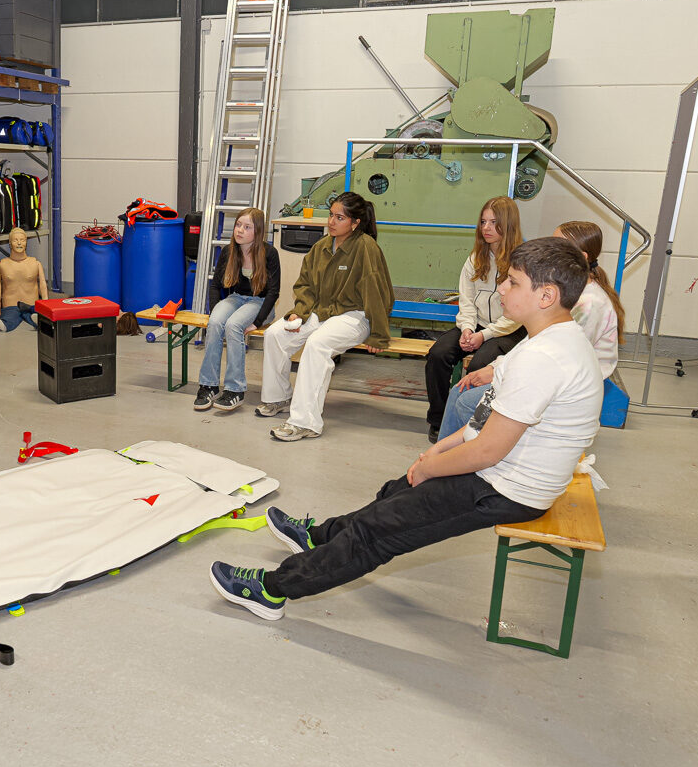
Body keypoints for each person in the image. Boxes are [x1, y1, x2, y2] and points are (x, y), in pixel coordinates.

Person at [208, 236, 602, 621]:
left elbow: (488, 451)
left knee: (376, 532)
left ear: (546, 296)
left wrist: (432, 466)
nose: (501, 288)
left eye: (513, 282)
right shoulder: (546, 338)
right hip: (499, 471)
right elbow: (486, 419)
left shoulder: (544, 357)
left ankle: (272, 590)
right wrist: (439, 451)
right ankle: (319, 537)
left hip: (506, 488)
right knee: (395, 492)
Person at [438, 219, 626, 438]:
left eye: (557, 246)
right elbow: (533, 343)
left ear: (581, 258)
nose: (548, 252)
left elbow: (551, 359)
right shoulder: (565, 292)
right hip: (543, 373)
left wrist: (497, 373)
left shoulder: (588, 304)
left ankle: (460, 454)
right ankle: (442, 454)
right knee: (459, 391)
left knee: (466, 402)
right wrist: (495, 367)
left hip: (558, 386)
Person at [257, 192, 393, 442]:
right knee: (275, 334)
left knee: (317, 344)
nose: (331, 221)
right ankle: (279, 398)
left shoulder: (366, 248)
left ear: (355, 223)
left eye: (339, 218)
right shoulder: (321, 247)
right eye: (331, 215)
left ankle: (305, 422)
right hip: (322, 311)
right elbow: (305, 285)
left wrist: (378, 335)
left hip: (356, 315)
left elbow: (377, 293)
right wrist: (299, 312)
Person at [424, 196, 526, 443]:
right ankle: (439, 420)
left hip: (508, 329)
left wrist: (484, 335)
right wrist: (468, 329)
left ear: (508, 225)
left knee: (480, 365)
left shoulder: (521, 261)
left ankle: (472, 424)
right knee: (438, 355)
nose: (486, 228)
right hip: (476, 324)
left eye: (494, 222)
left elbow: (518, 313)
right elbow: (466, 300)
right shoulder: (475, 258)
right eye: (483, 222)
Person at [193, 207, 281, 412]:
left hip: (261, 303)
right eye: (238, 225)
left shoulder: (269, 253)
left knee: (233, 325)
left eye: (247, 227)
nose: (240, 230)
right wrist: (215, 311)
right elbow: (215, 286)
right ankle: (209, 385)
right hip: (237, 298)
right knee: (215, 322)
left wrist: (257, 322)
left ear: (258, 231)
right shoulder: (229, 251)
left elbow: (273, 292)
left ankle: (235, 389)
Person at [0, 227, 48, 331]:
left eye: (22, 240)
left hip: (31, 304)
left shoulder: (36, 263)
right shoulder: (1, 265)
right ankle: (3, 325)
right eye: (15, 240)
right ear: (10, 243)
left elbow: (43, 285)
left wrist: (45, 302)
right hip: (10, 305)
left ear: (26, 243)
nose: (19, 243)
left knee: (33, 314)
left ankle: (38, 321)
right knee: (10, 317)